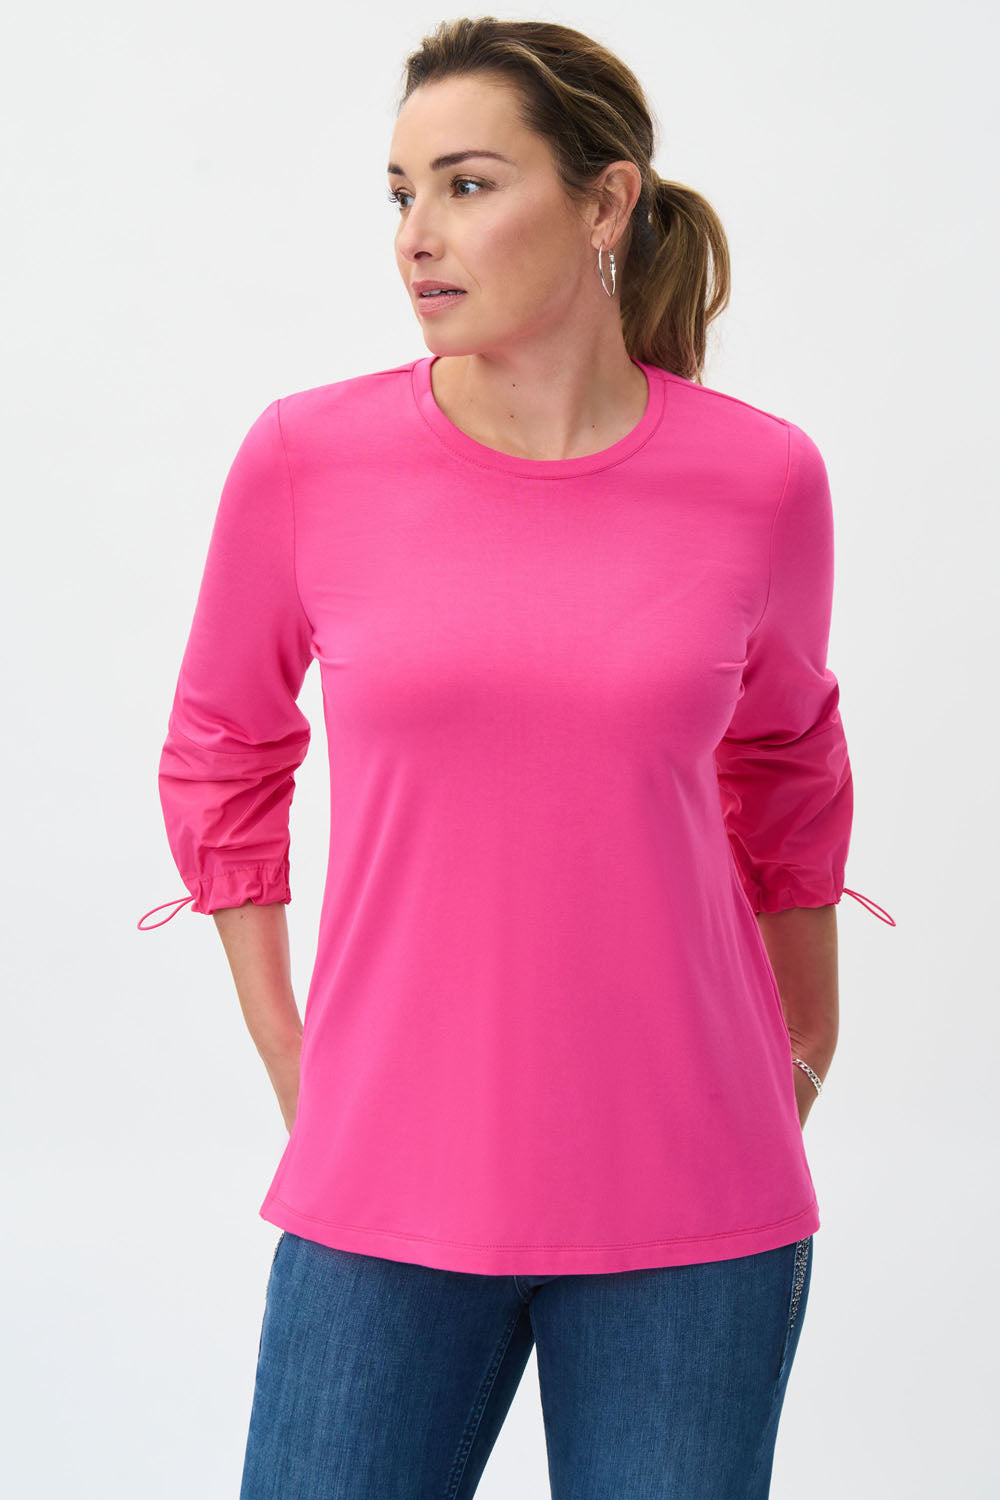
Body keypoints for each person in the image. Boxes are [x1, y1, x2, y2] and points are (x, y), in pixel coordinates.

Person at [137, 16, 895, 1499]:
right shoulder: (306, 459)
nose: (417, 235)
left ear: (606, 203)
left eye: (469, 185)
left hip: (696, 1198)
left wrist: (807, 1036)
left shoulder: (761, 478)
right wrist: (297, 1060)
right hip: (385, 1189)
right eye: (401, 192)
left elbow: (789, 759)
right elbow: (222, 746)